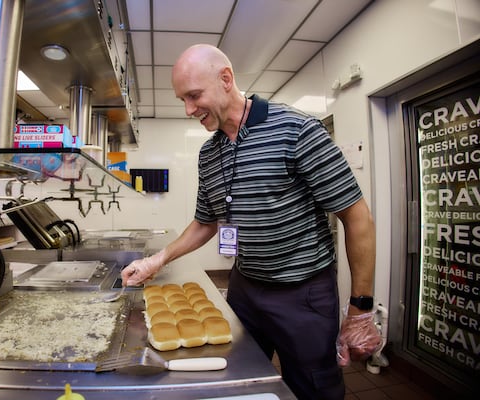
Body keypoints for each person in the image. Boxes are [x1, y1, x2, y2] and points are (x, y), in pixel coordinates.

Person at [122, 44, 381, 400]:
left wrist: (360, 310)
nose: (188, 110)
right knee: (239, 379)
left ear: (226, 79)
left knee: (313, 388)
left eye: (194, 96)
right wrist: (157, 260)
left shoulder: (296, 129)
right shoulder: (209, 153)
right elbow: (205, 222)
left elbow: (357, 217)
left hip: (302, 294)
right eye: (182, 99)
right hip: (244, 287)